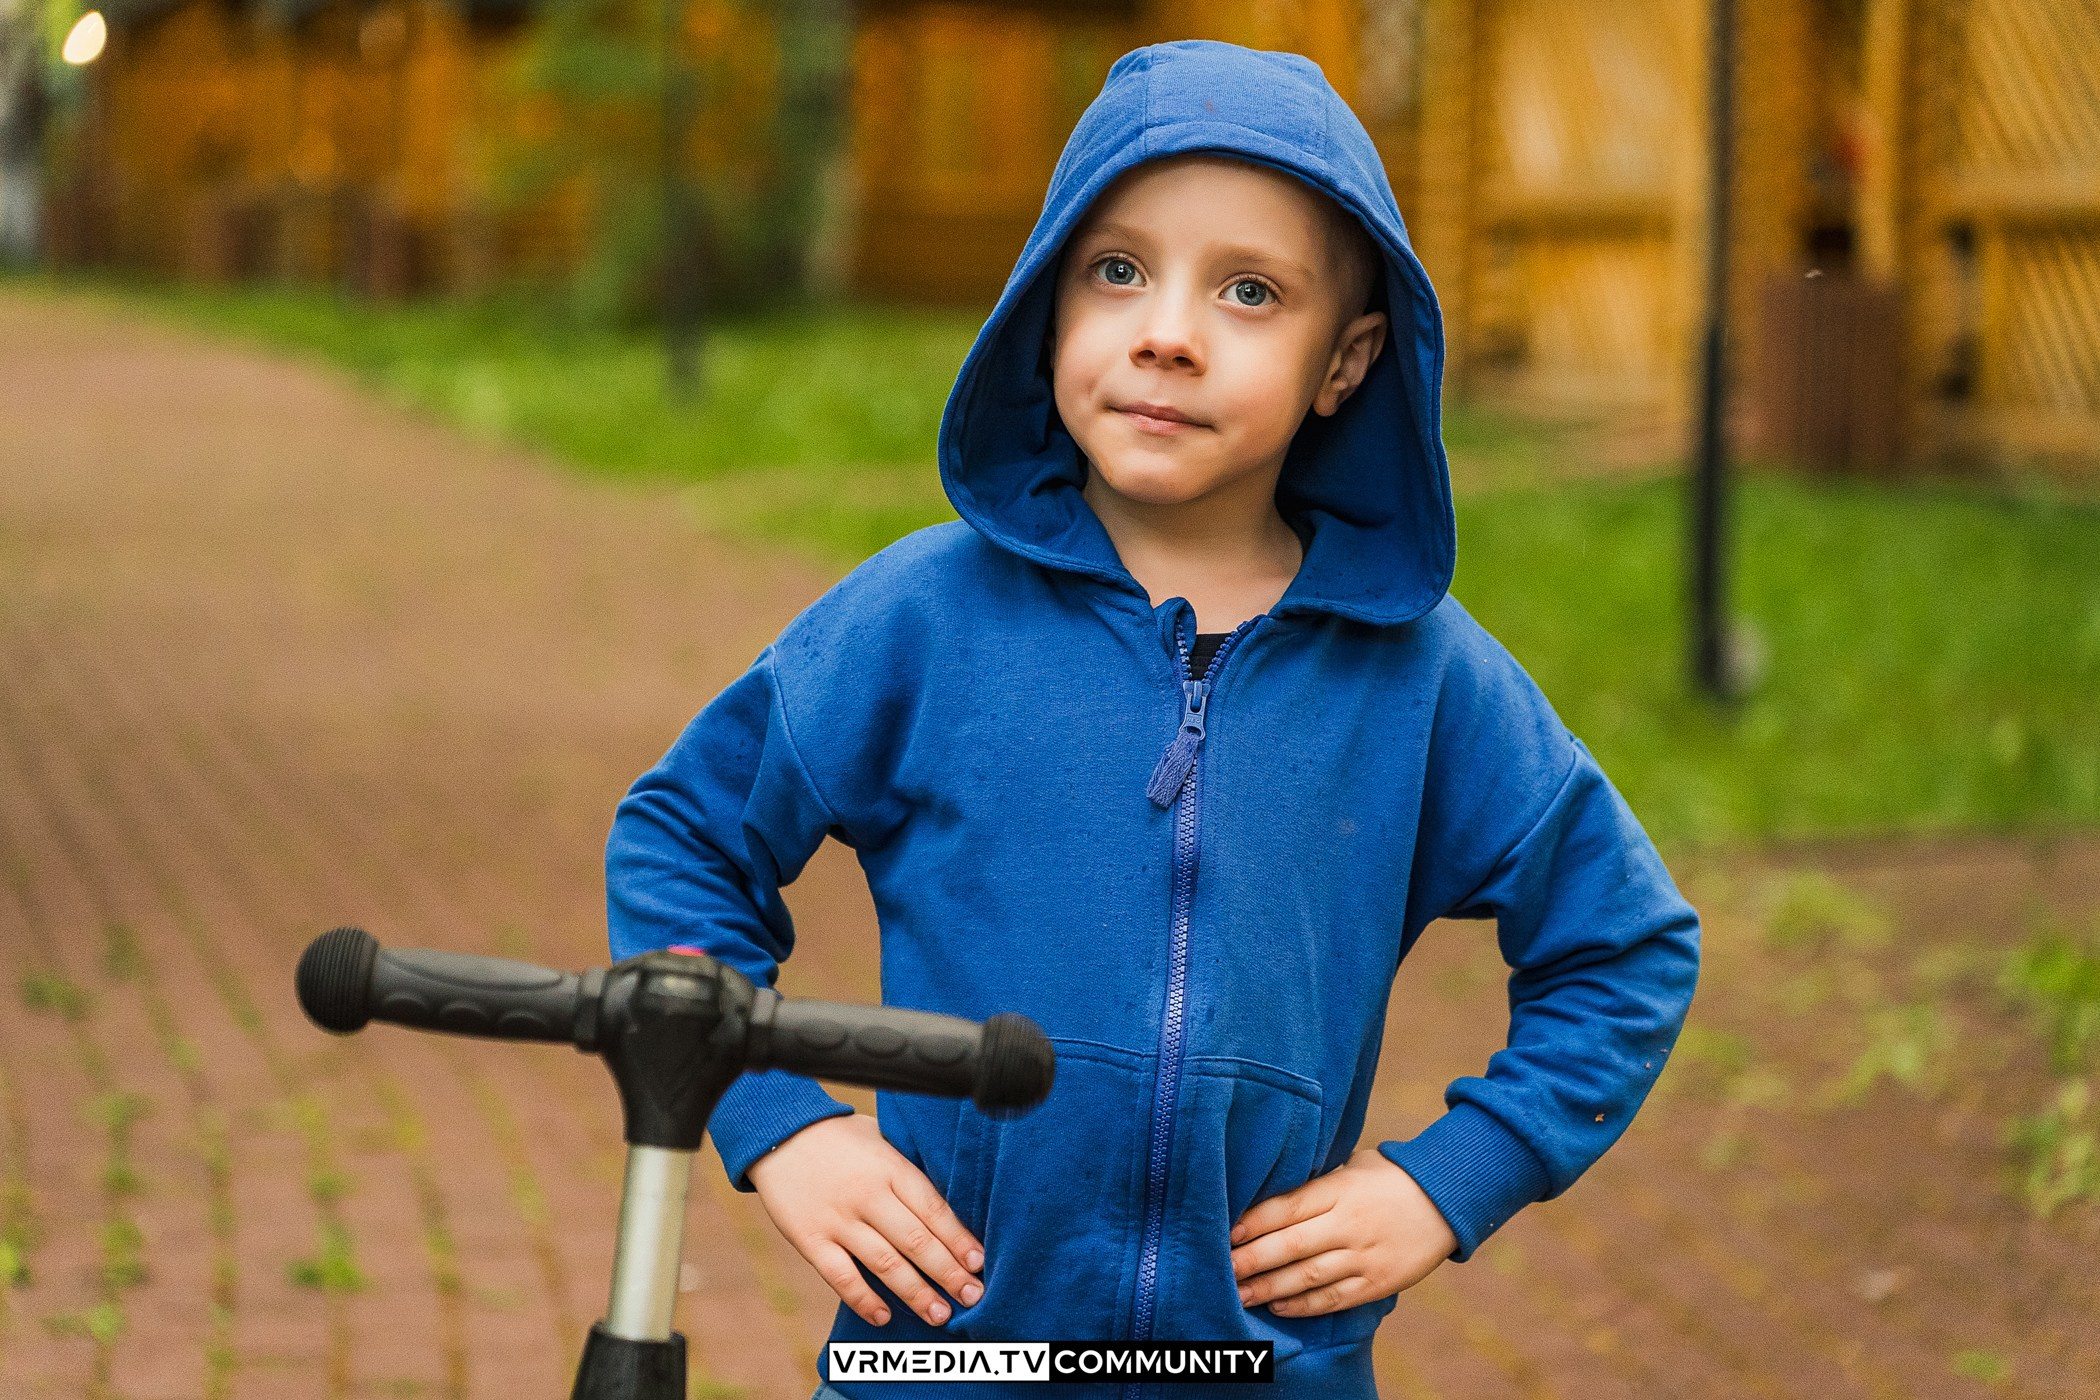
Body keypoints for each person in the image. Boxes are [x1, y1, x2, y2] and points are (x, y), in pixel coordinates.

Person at [607, 39, 1700, 1400]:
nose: (1167, 329)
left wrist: (1446, 1184)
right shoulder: (924, 621)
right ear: (1046, 303)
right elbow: (681, 836)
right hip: (954, 1361)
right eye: (1117, 270)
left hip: (1262, 1368)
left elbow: (1628, 946)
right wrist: (780, 1124)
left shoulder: (1421, 678)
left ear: (1345, 362)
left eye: (1249, 290)